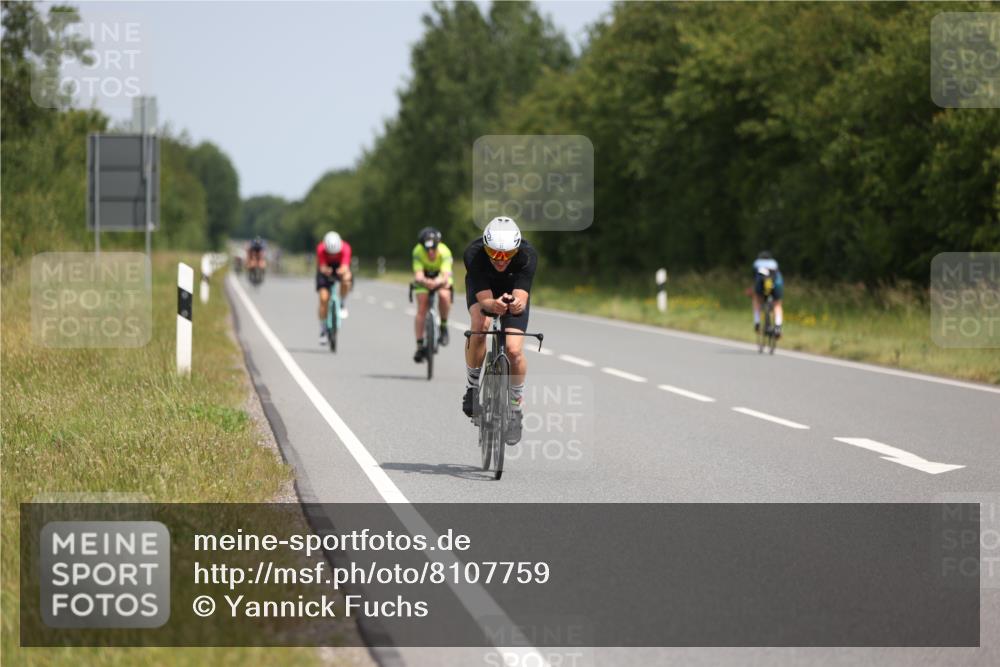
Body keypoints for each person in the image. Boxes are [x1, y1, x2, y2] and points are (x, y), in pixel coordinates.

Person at [462, 216, 537, 445]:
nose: (501, 260)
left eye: (507, 254)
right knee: (480, 325)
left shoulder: (527, 255)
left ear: (517, 250)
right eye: (494, 253)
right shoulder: (474, 254)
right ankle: (472, 388)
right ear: (486, 247)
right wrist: (493, 305)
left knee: (514, 350)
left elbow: (522, 296)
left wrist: (516, 304)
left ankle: (515, 408)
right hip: (484, 290)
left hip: (512, 291)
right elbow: (485, 300)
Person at [412, 227, 454, 362]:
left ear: (438, 244)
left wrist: (437, 282)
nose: (430, 252)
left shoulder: (445, 251)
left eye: (433, 248)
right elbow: (418, 275)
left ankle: (443, 325)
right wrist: (426, 281)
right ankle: (419, 345)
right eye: (427, 249)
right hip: (424, 280)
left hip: (440, 279)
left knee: (444, 296)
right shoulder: (417, 251)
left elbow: (446, 276)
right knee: (421, 308)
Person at [316, 231, 353, 345]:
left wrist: (340, 271)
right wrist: (326, 270)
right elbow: (322, 266)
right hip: (325, 269)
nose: (332, 255)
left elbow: (345, 266)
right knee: (323, 298)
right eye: (330, 253)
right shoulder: (321, 248)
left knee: (347, 279)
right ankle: (323, 329)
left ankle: (342, 303)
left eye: (335, 253)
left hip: (339, 267)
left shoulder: (346, 248)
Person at [752, 251, 784, 338]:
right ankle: (778, 326)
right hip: (776, 284)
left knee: (757, 300)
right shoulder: (774, 263)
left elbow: (754, 278)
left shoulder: (757, 263)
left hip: (761, 284)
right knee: (777, 304)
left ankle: (757, 322)